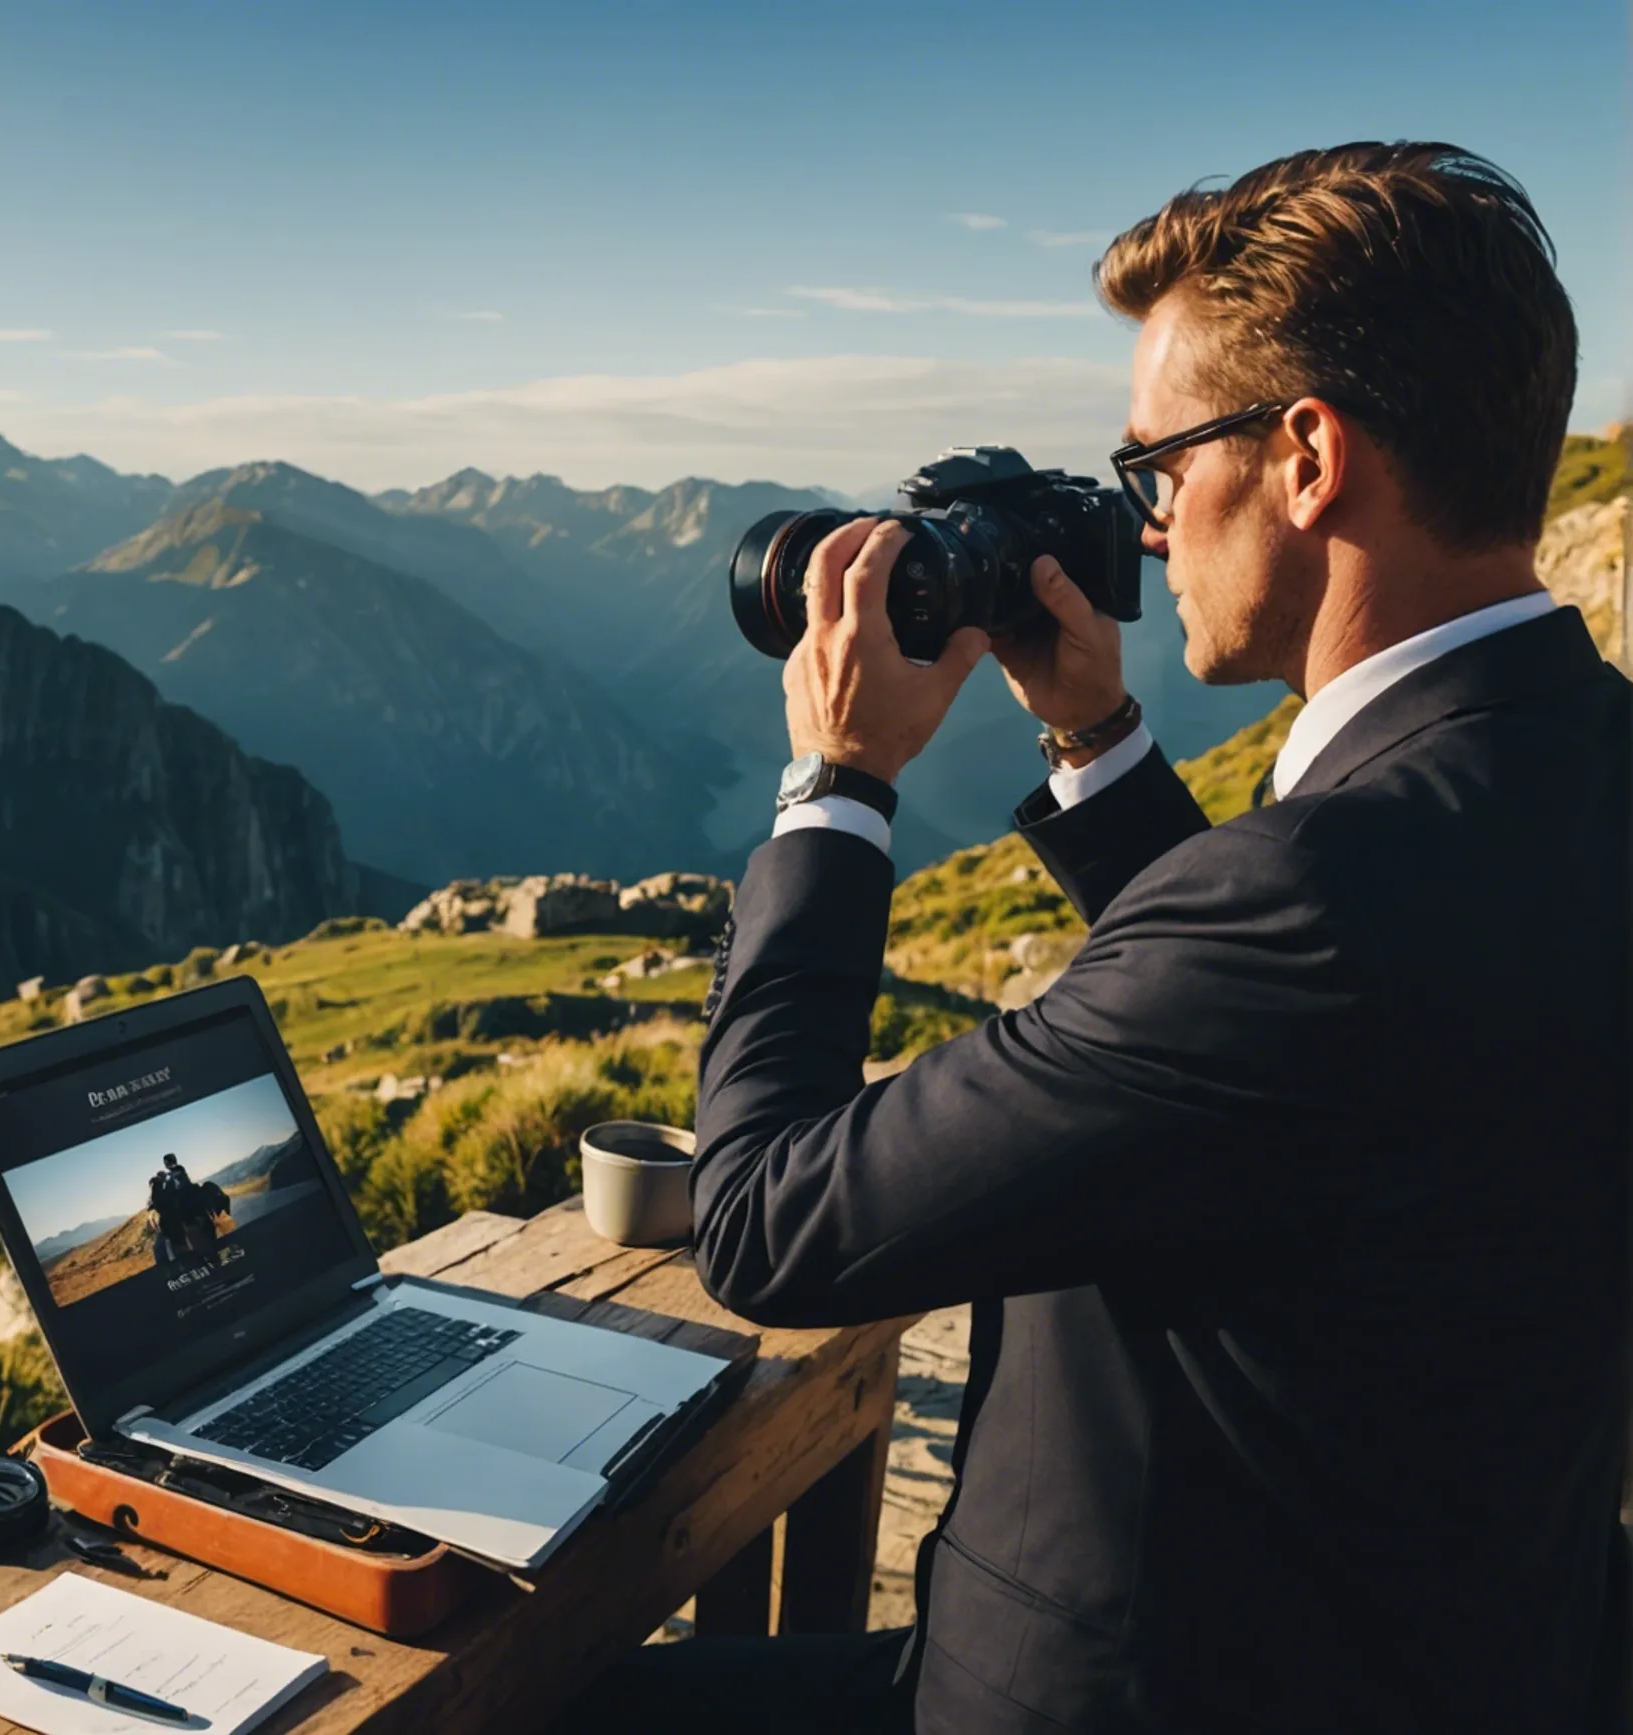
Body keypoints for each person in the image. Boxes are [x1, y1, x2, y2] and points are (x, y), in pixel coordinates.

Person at [594, 142, 1628, 1733]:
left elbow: (763, 1222)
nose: (1145, 527)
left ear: (1305, 456)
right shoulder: (1576, 773)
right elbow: (1329, 1041)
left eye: (1158, 464)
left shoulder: (1308, 903)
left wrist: (839, 789)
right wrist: (1095, 740)